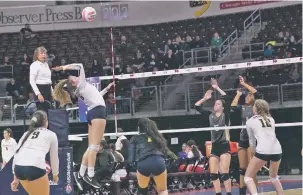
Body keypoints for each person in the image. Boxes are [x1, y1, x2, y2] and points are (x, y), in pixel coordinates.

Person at [52, 63, 115, 189]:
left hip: (92, 112)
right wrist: (64, 68)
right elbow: (80, 65)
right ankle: (90, 175)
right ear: (74, 82)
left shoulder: (79, 89)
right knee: (94, 147)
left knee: (90, 147)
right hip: (98, 112)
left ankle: (80, 174)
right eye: (74, 78)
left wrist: (107, 88)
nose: (76, 77)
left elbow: (97, 96)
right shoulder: (81, 84)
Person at [195, 78, 232, 195]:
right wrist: (205, 98)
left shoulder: (226, 115)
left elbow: (227, 97)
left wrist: (216, 88)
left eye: (218, 104)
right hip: (215, 147)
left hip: (225, 146)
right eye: (215, 103)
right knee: (213, 174)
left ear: (222, 107)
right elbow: (196, 106)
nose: (216, 105)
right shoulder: (210, 115)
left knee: (225, 174)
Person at [10, 110, 59, 195]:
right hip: (35, 166)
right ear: (46, 122)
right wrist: (55, 174)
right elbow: (54, 157)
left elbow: (16, 154)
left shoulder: (26, 133)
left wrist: (15, 178)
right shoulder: (51, 134)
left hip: (19, 169)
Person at [245, 99, 283, 195]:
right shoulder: (271, 119)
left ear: (256, 108)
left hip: (263, 151)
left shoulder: (250, 121)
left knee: (248, 177)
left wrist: (253, 154)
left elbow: (252, 141)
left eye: (254, 106)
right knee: (274, 177)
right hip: (277, 150)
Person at [231, 76, 262, 195]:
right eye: (246, 95)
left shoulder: (257, 107)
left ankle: (255, 192)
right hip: (242, 139)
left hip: (252, 139)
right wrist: (238, 95)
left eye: (249, 95)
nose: (247, 96)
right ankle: (241, 193)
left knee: (251, 168)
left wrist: (244, 84)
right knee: (242, 169)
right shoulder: (243, 108)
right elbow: (233, 107)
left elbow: (257, 93)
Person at [129, 118, 175, 195]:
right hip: (159, 163)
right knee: (162, 190)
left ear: (139, 128)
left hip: (143, 164)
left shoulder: (134, 138)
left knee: (142, 191)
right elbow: (165, 152)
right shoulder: (158, 136)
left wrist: (135, 166)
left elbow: (131, 158)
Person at [29, 47, 53, 112]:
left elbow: (48, 79)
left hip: (47, 89)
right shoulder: (34, 65)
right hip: (40, 89)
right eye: (41, 53)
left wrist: (52, 91)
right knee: (42, 112)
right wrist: (38, 94)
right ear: (37, 55)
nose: (43, 55)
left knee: (49, 111)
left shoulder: (46, 64)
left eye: (44, 53)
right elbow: (32, 81)